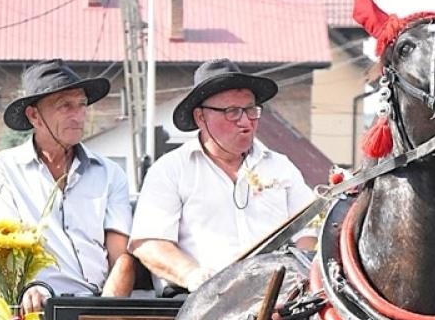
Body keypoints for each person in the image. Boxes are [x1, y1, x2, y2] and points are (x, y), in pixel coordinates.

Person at [130, 59, 315, 291]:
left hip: (278, 299)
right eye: (232, 112)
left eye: (250, 110)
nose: (246, 122)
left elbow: (309, 232)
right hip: (199, 301)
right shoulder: (170, 170)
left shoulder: (281, 167)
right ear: (201, 117)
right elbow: (149, 244)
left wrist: (302, 275)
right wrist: (193, 275)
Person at [0, 60, 136, 310]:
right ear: (34, 115)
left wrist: (107, 313)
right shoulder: (1, 169)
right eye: (65, 106)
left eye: (82, 105)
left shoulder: (110, 173)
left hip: (98, 303)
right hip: (34, 306)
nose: (78, 115)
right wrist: (30, 292)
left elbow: (121, 257)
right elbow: (5, 247)